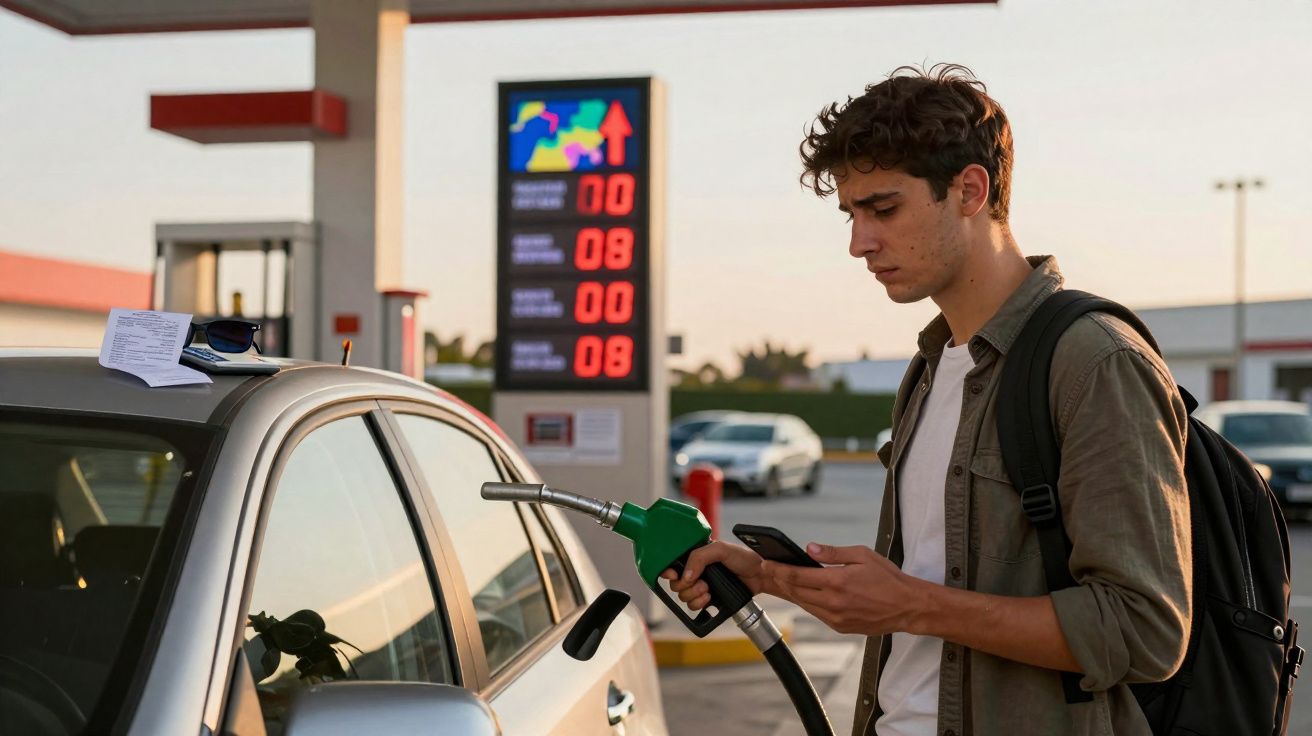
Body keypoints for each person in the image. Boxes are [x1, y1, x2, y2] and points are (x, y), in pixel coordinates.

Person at [664, 64, 1192, 736]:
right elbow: (920, 591)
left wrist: (910, 605)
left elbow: (1142, 630)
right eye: (852, 214)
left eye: (883, 209)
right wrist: (768, 575)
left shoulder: (1094, 362)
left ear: (970, 190)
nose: (859, 243)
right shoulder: (930, 368)